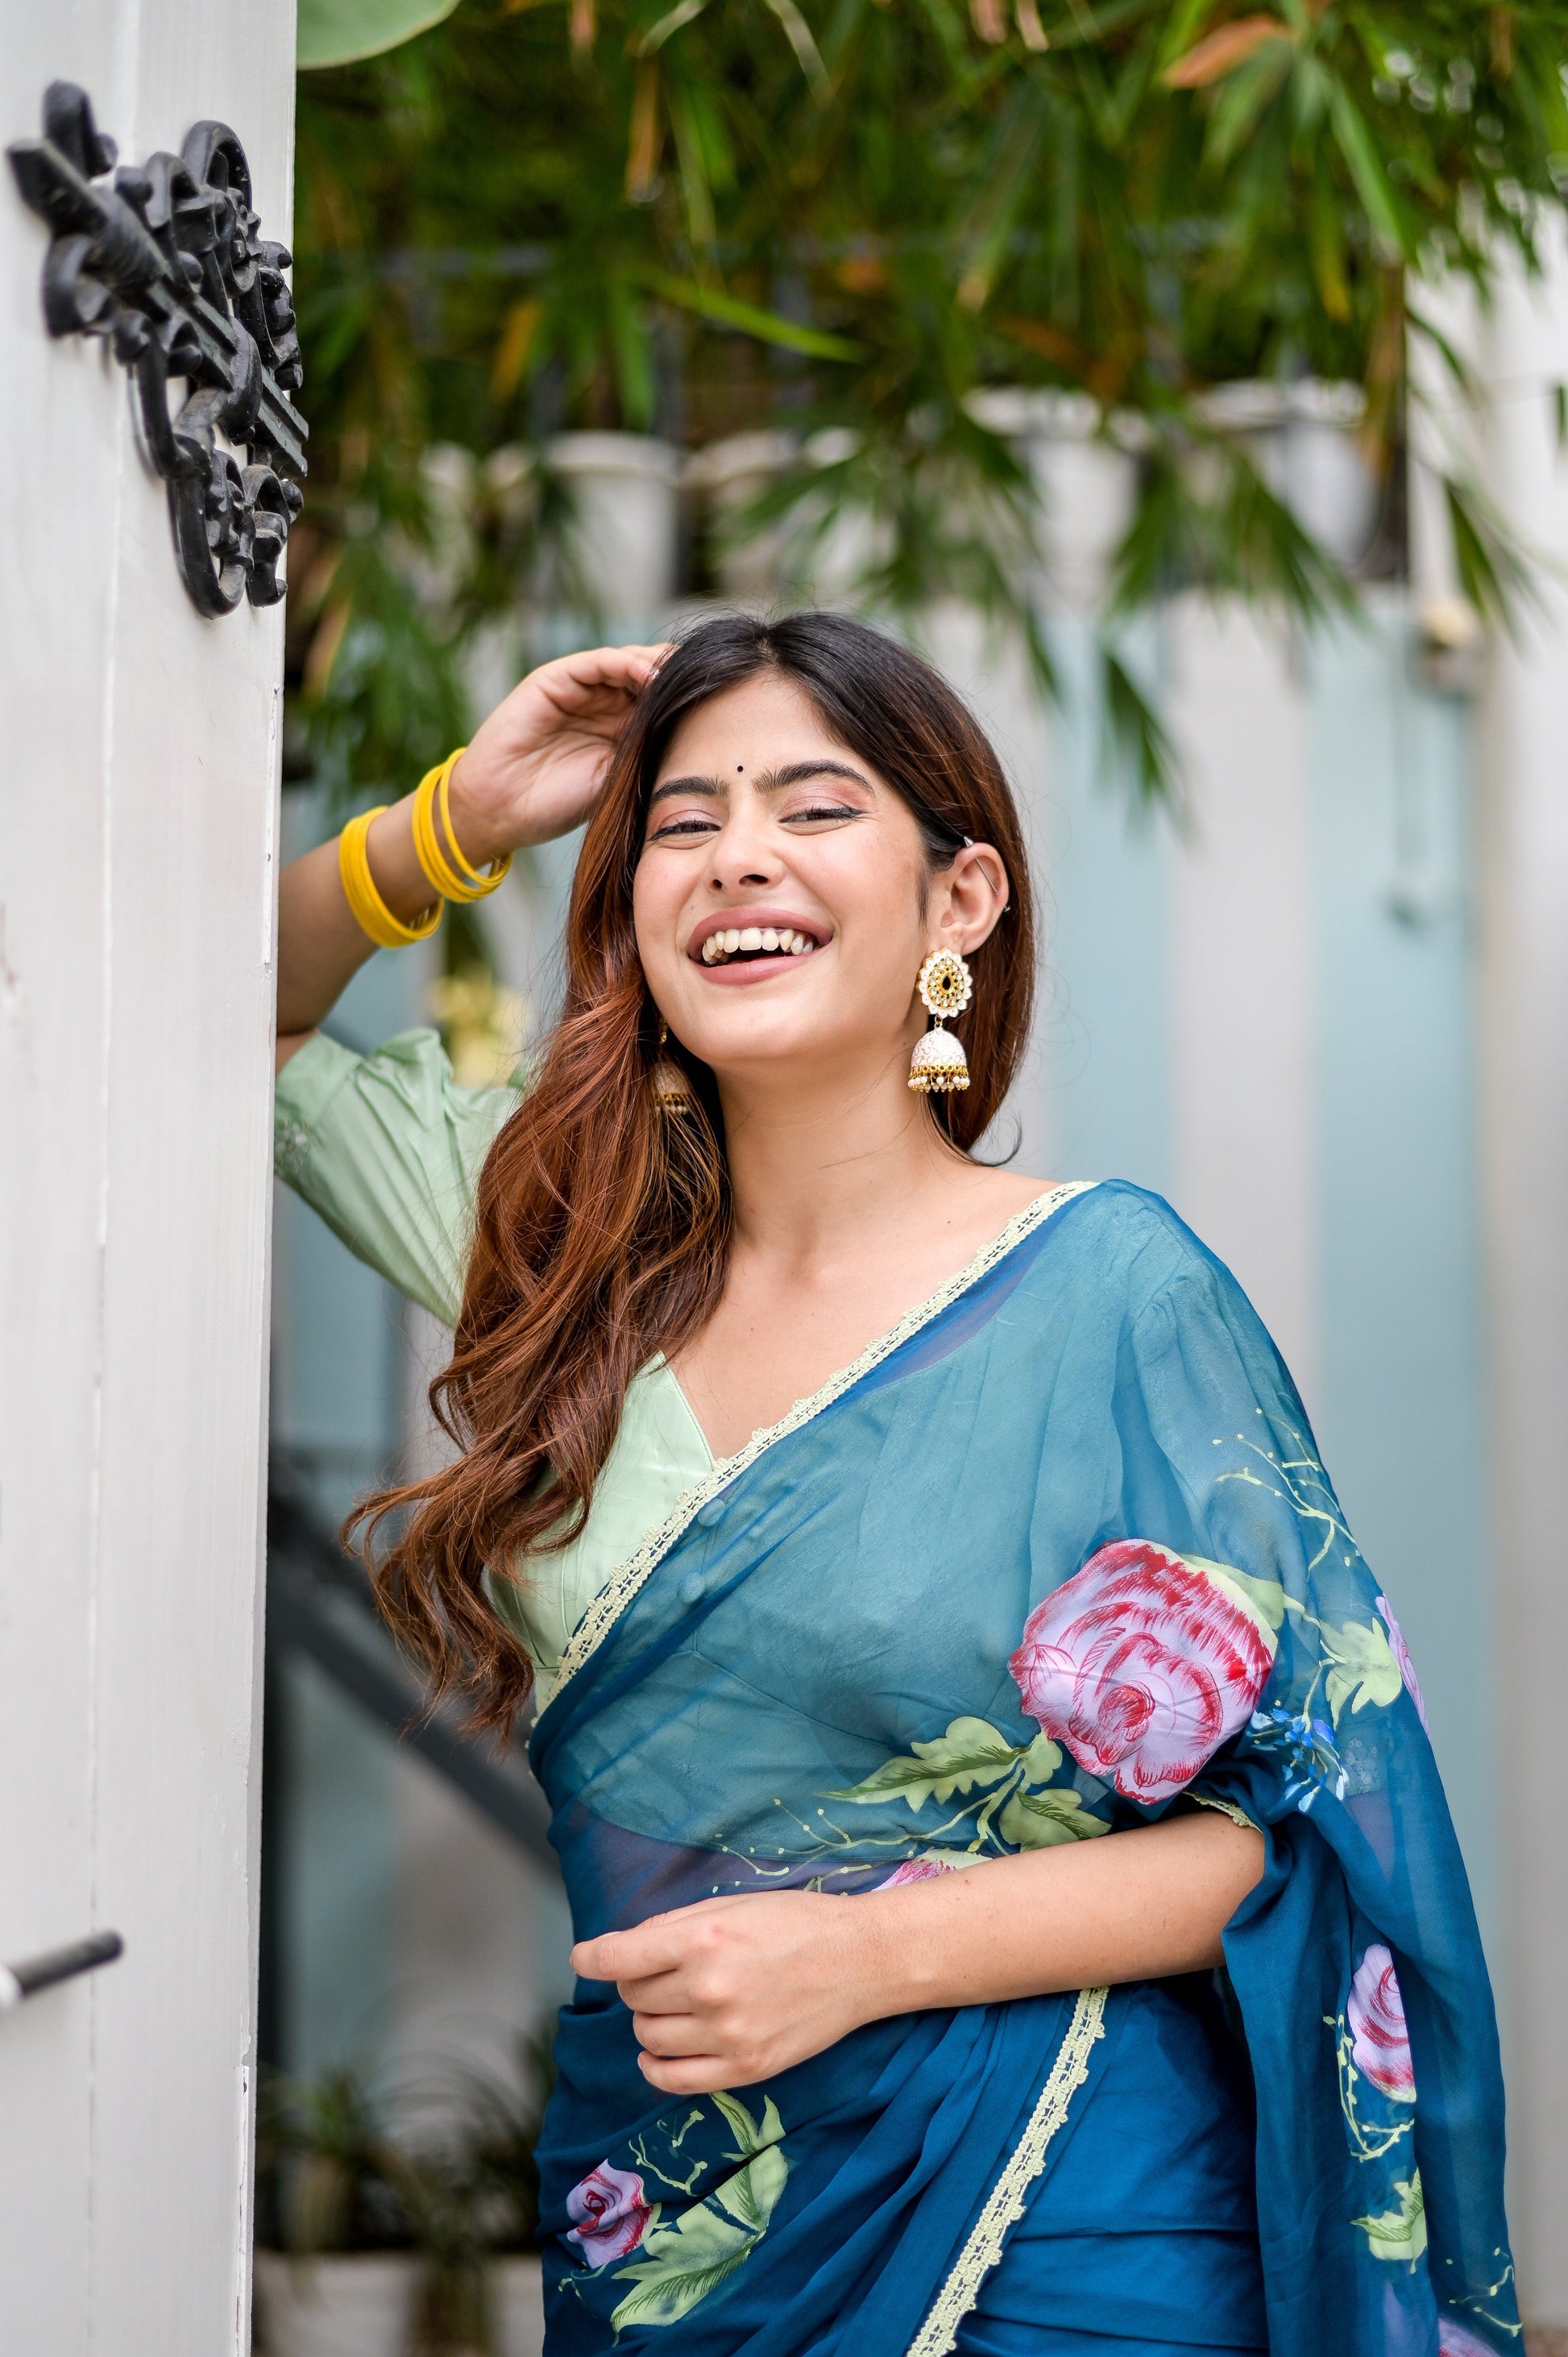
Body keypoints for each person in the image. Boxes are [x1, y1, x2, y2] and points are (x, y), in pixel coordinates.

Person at [273, 611, 1514, 2357]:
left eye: (812, 805)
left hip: (1072, 2229)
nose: (737, 859)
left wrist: (868, 1955)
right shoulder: (548, 1255)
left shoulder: (1109, 1291)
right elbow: (193, 1009)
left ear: (962, 902)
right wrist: (450, 824)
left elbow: (1294, 1834)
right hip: (680, 2222)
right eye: (682, 822)